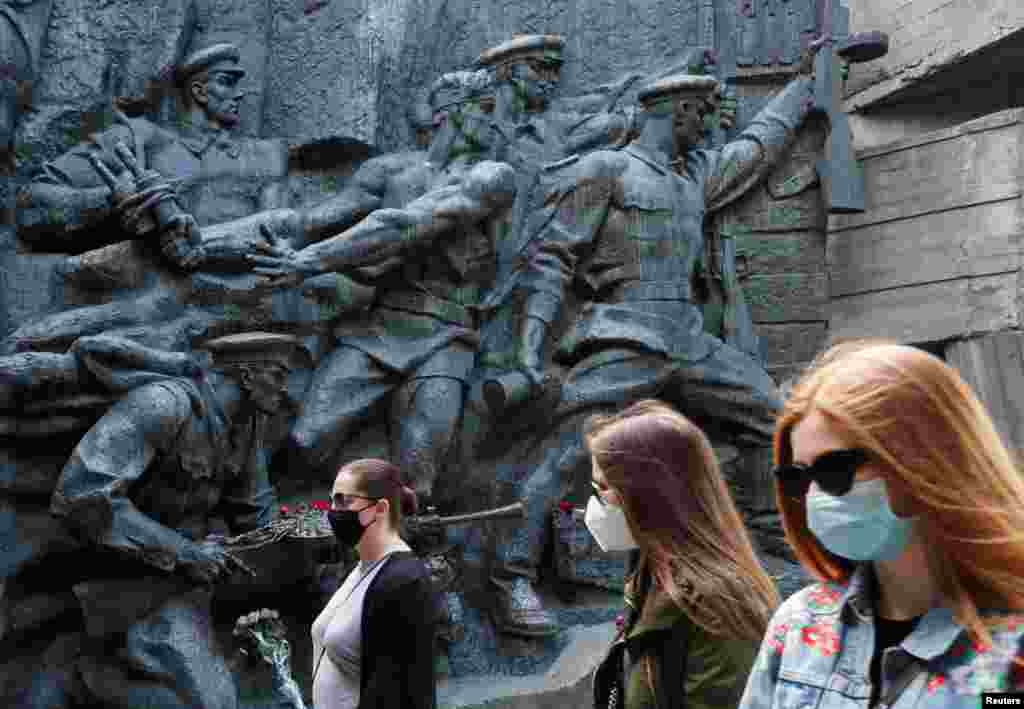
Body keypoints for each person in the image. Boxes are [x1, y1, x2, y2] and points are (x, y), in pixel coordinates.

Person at [481, 49, 821, 637]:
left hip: (687, 336)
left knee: (777, 418)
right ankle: (510, 574)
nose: (710, 124)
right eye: (703, 113)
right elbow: (552, 261)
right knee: (573, 453)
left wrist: (805, 85)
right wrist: (529, 350)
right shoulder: (605, 171)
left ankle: (773, 536)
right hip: (625, 331)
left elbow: (757, 148)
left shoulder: (693, 176)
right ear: (678, 110)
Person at [739, 340, 1024, 709]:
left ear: (927, 460)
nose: (812, 495)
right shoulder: (799, 623)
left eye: (834, 470)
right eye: (796, 477)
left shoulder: (1011, 651)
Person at [586, 400, 780, 709]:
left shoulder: (717, 604)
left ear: (652, 491)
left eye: (604, 487)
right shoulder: (652, 568)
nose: (595, 502)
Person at [313, 458, 439, 709]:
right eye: (332, 500)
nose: (333, 511)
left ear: (380, 509)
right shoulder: (362, 568)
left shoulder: (404, 582)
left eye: (343, 501)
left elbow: (400, 690)